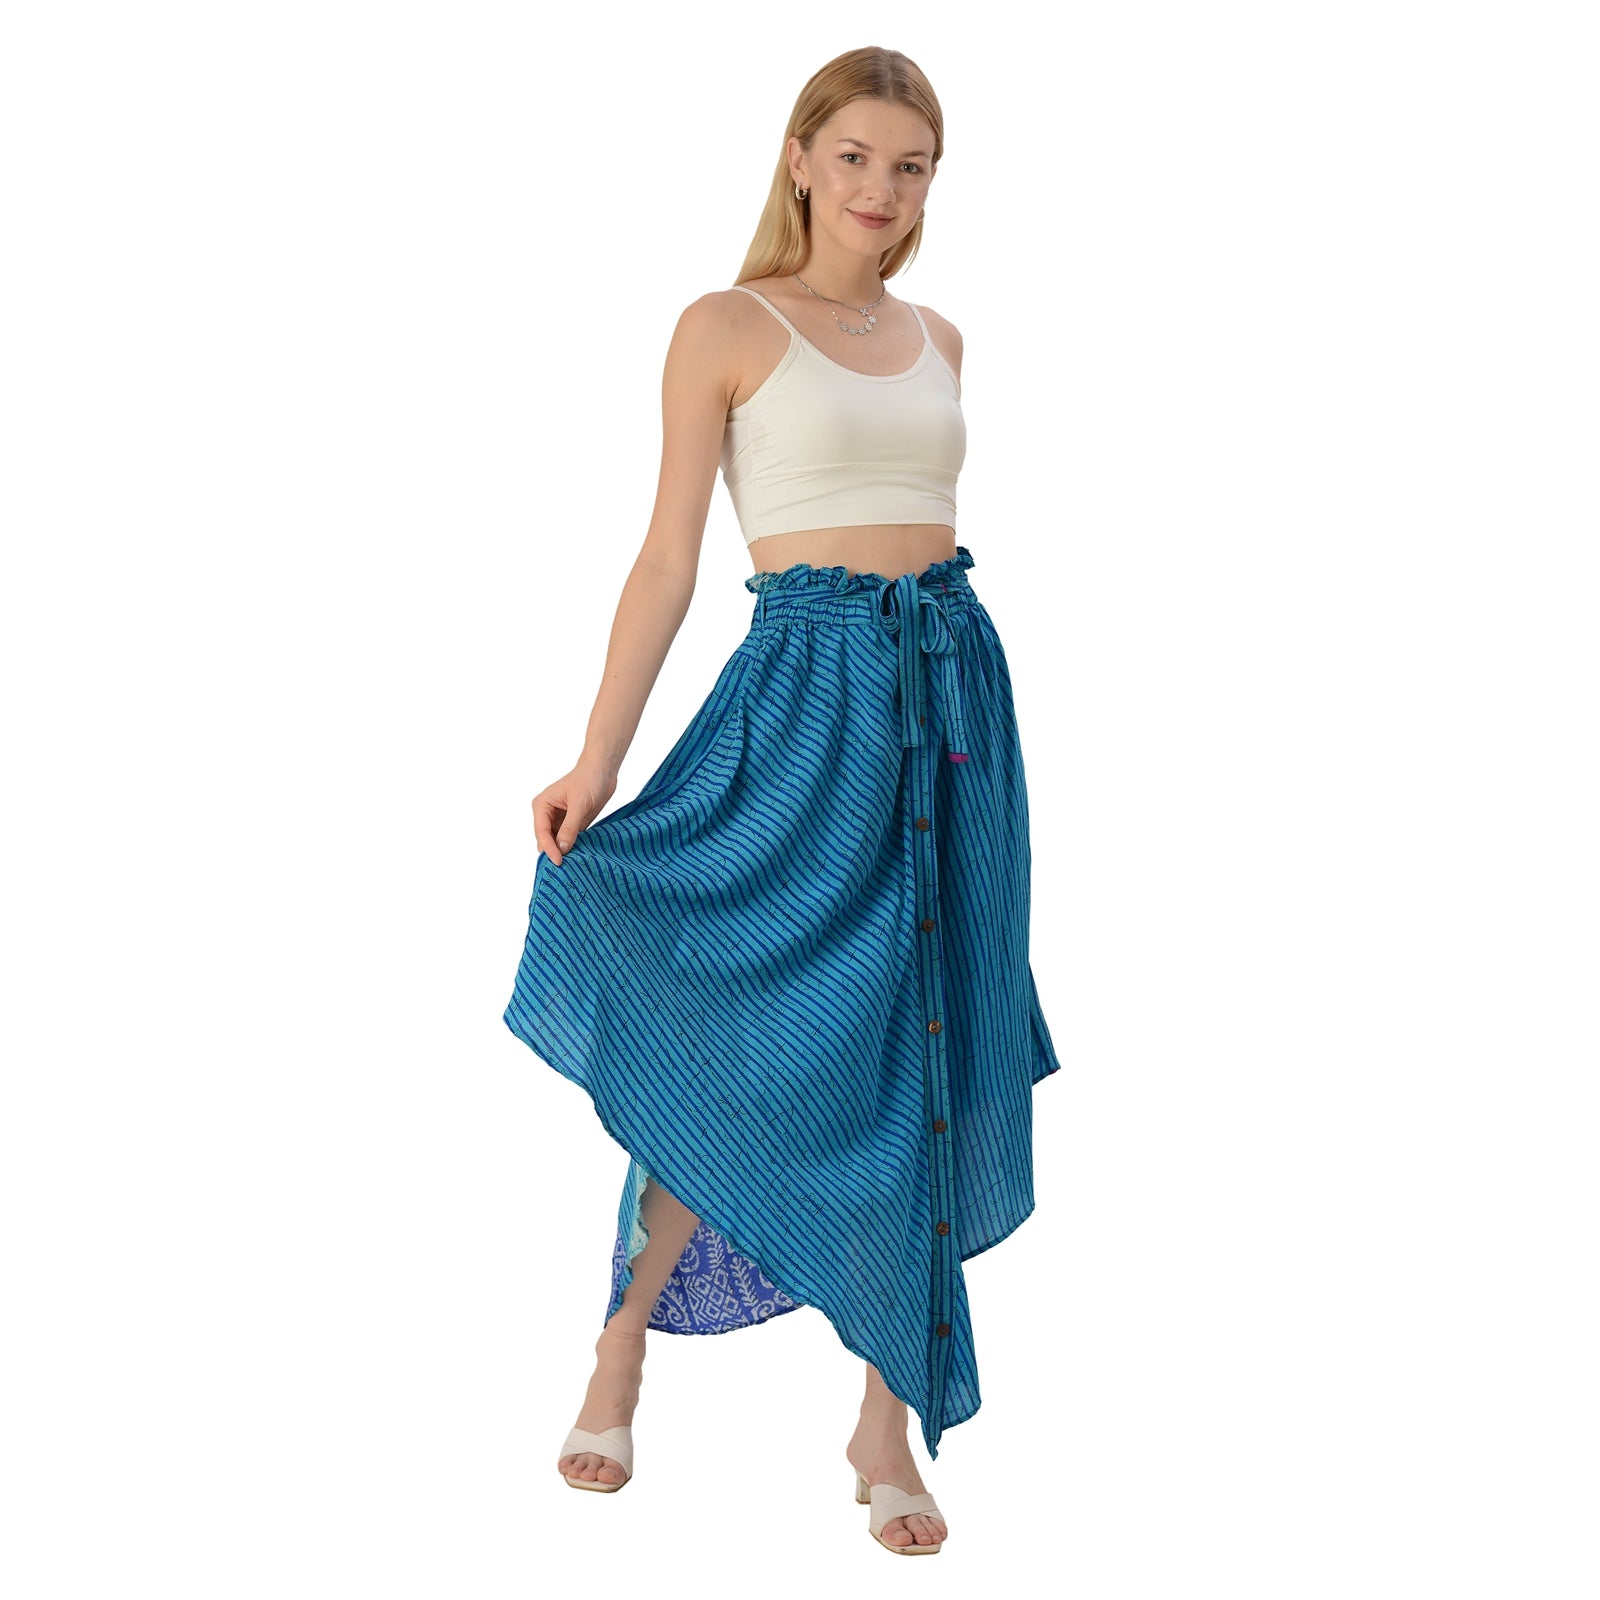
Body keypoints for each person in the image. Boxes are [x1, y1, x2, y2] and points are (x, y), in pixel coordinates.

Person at [502, 45, 1062, 1555]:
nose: (884, 189)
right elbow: (668, 557)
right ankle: (623, 1343)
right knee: (748, 1044)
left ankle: (887, 1417)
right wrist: (598, 759)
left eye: (913, 166)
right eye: (858, 156)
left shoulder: (945, 337)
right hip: (805, 702)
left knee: (929, 1040)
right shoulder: (726, 325)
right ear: (802, 158)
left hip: (955, 705)